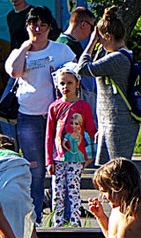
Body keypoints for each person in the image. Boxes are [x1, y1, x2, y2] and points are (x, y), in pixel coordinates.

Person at [5, 5, 75, 226]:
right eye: (33, 25)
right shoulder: (18, 53)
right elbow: (15, 72)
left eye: (43, 25)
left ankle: (64, 216)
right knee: (35, 169)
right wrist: (26, 47)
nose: (38, 29)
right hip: (29, 117)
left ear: (50, 27)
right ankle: (33, 218)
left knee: (61, 166)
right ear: (27, 26)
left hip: (59, 118)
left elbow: (75, 74)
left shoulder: (60, 51)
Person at [77, 7, 139, 166]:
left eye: (101, 39)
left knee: (117, 170)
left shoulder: (117, 59)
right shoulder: (113, 56)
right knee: (106, 171)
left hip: (118, 124)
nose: (100, 43)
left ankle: (128, 192)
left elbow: (83, 69)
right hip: (108, 122)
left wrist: (90, 43)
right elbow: (95, 65)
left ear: (108, 36)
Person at [45, 68, 96, 226]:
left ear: (77, 84)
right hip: (58, 157)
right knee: (57, 192)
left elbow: (91, 129)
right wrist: (49, 160)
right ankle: (57, 223)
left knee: (74, 191)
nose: (66, 86)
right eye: (62, 83)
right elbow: (49, 135)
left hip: (77, 157)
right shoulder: (54, 107)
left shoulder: (83, 106)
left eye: (69, 83)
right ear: (57, 86)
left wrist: (91, 154)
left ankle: (75, 222)